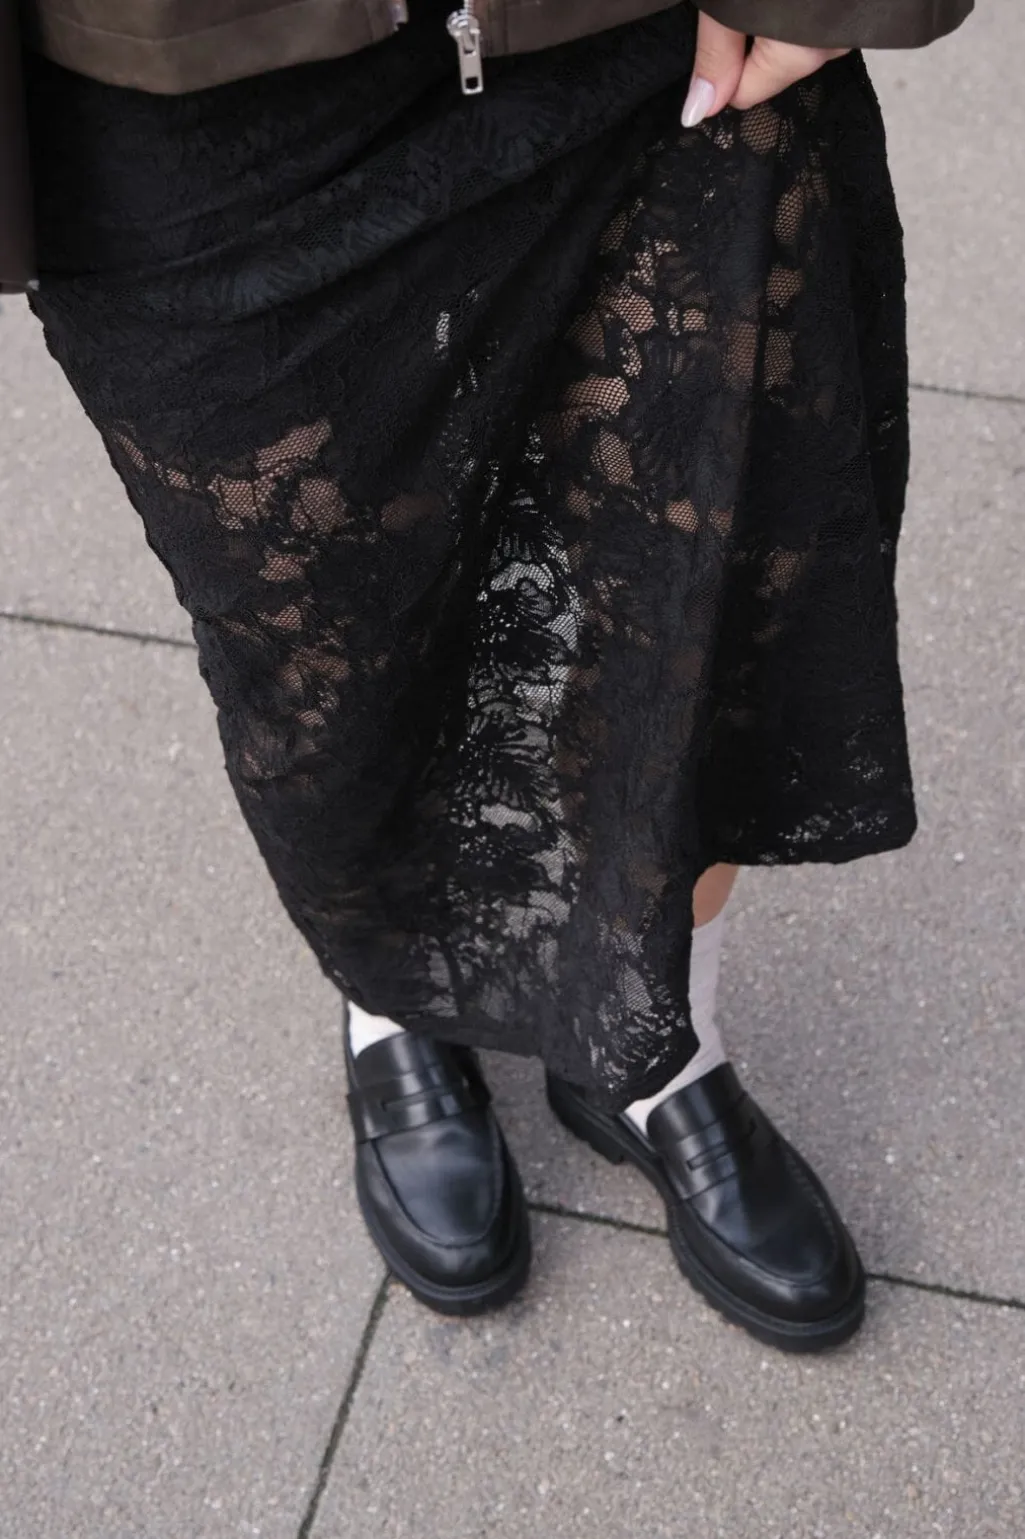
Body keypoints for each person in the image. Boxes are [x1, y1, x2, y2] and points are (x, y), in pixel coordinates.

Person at [3, 0, 973, 1353]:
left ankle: (661, 1035)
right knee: (326, 653)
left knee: (698, 602)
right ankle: (398, 990)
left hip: (642, 35)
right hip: (193, 91)